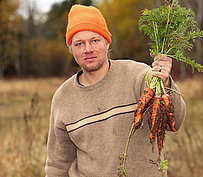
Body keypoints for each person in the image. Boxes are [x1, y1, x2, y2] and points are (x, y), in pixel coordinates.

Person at [45, 4, 186, 177]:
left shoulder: (140, 76)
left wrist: (166, 83)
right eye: (79, 44)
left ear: (106, 42)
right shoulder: (63, 98)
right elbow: (58, 164)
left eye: (94, 40)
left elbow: (175, 122)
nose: (88, 49)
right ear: (72, 49)